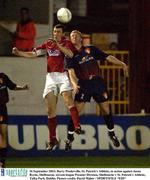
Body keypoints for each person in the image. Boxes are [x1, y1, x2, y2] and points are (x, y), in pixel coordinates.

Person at [12, 24, 82, 151]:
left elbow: (70, 54)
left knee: (68, 99)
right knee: (50, 110)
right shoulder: (48, 44)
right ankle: (52, 138)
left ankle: (77, 126)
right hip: (51, 77)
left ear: (63, 34)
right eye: (55, 31)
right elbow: (34, 54)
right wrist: (19, 53)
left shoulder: (66, 43)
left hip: (63, 75)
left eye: (58, 32)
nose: (56, 33)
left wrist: (58, 45)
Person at [65, 30, 129, 151]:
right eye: (71, 36)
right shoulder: (70, 55)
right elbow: (71, 72)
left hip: (98, 83)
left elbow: (108, 57)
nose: (72, 37)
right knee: (76, 112)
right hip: (83, 84)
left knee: (105, 109)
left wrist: (122, 63)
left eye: (75, 35)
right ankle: (69, 138)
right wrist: (74, 84)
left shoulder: (91, 49)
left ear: (80, 38)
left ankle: (111, 133)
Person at [0, 72, 29, 168]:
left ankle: (2, 162)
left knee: (3, 134)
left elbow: (13, 86)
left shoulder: (3, 76)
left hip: (2, 109)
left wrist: (23, 88)